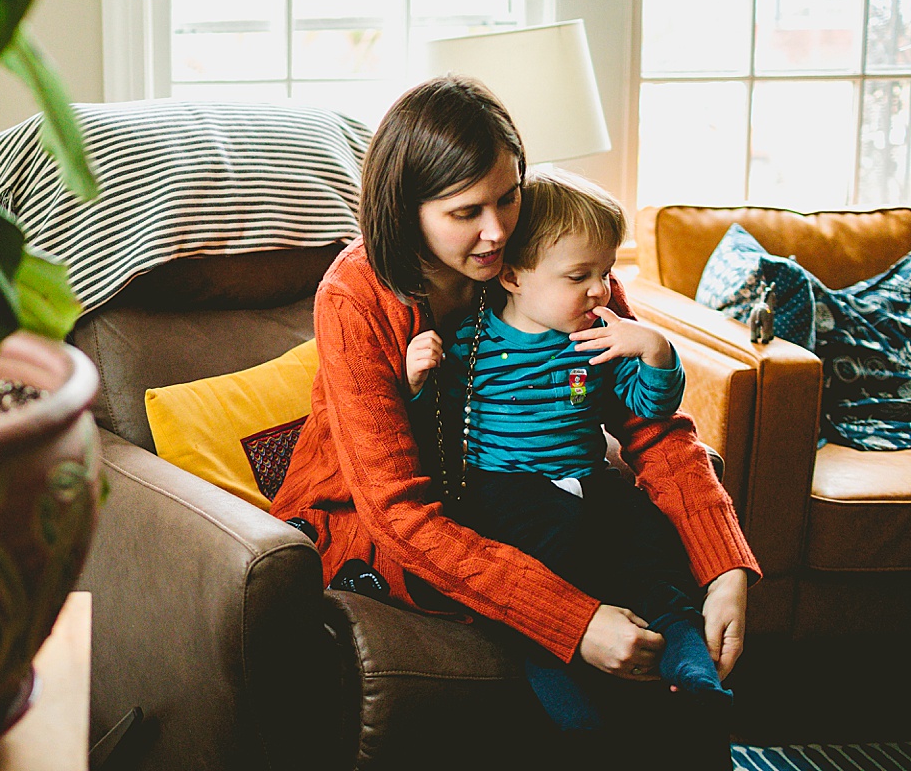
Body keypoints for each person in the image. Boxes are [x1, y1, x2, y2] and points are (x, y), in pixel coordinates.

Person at [270, 76, 759, 769]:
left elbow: (654, 430)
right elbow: (397, 512)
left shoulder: (558, 257)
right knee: (576, 557)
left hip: (525, 489)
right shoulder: (354, 295)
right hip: (373, 518)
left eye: (508, 195)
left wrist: (725, 566)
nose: (498, 230)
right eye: (466, 211)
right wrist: (576, 622)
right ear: (407, 212)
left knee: (649, 525)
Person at [405, 165, 730, 733]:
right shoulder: (470, 344)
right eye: (579, 275)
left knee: (648, 537)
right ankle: (567, 685)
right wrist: (416, 379)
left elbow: (648, 409)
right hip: (506, 486)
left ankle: (689, 655)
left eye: (605, 272)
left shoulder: (596, 337)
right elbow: (430, 430)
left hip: (587, 476)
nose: (600, 290)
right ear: (512, 277)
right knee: (553, 552)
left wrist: (654, 351)